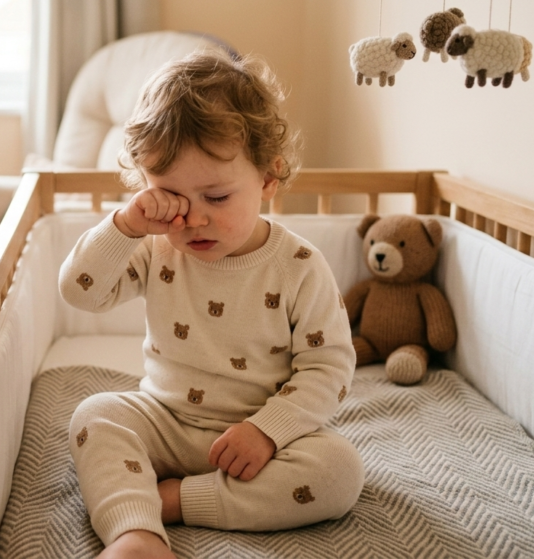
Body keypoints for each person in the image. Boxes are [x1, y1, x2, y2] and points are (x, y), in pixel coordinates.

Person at [58, 49, 364, 559]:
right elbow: (80, 292)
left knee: (338, 471)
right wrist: (125, 226)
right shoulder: (155, 248)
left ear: (268, 179)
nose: (192, 220)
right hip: (165, 421)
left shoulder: (298, 265)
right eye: (171, 198)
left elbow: (328, 366)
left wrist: (267, 431)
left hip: (260, 438)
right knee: (96, 414)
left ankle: (174, 501)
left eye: (216, 199)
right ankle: (135, 532)